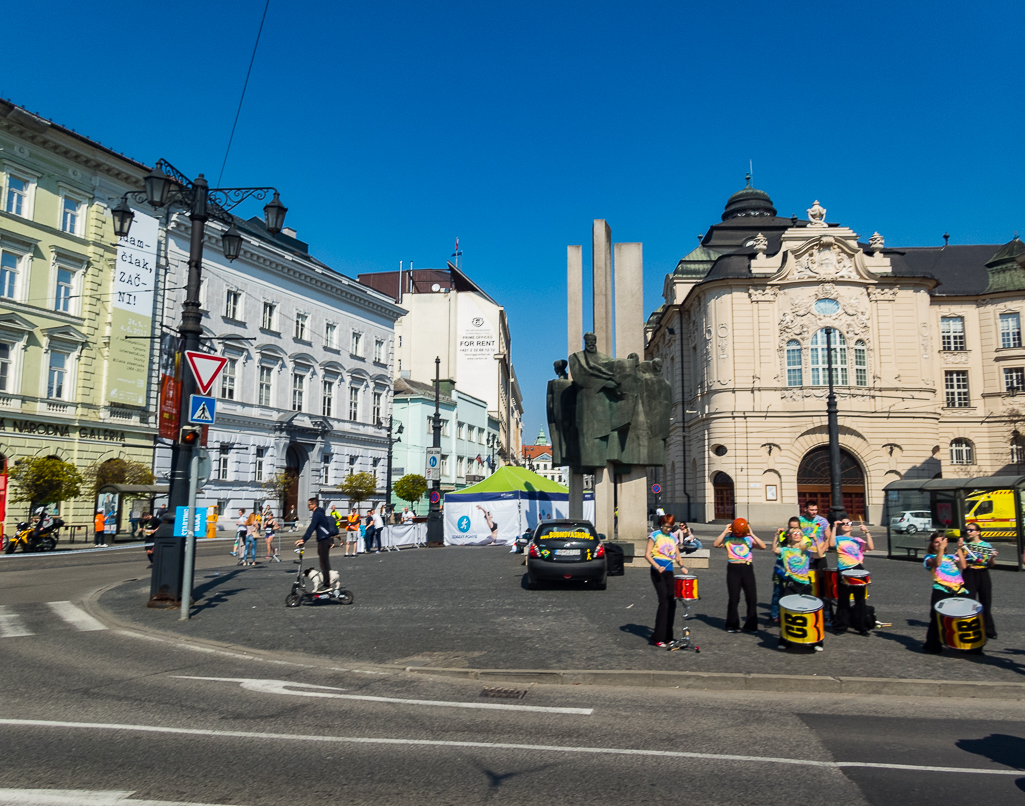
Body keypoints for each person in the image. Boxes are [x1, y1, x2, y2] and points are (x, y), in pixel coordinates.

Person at [774, 526, 825, 650]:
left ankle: (816, 641)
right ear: (790, 536)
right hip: (791, 582)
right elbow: (774, 549)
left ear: (802, 536)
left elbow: (819, 554)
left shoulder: (806, 550)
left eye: (799, 533)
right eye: (793, 533)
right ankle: (785, 640)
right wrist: (776, 536)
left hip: (804, 583)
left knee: (810, 612)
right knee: (787, 611)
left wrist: (816, 541)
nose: (796, 534)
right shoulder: (785, 550)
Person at [713, 517, 767, 633]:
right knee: (734, 598)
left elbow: (763, 546)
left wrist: (751, 533)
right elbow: (716, 544)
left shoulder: (748, 539)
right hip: (733, 568)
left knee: (751, 598)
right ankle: (732, 624)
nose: (738, 534)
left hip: (747, 568)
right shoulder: (728, 540)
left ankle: (751, 625)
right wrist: (725, 531)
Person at [644, 514, 690, 648]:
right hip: (657, 571)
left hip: (669, 571)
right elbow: (647, 554)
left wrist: (682, 566)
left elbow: (677, 555)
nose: (668, 530)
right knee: (664, 601)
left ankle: (668, 636)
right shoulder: (655, 535)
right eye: (666, 527)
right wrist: (657, 566)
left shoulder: (673, 538)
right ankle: (658, 637)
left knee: (672, 601)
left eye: (670, 527)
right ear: (662, 524)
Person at [923, 531, 970, 654]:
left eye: (941, 542)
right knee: (937, 618)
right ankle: (933, 645)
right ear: (932, 544)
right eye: (936, 542)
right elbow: (937, 564)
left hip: (958, 589)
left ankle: (962, 644)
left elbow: (963, 566)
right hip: (941, 589)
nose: (938, 544)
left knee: (962, 618)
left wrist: (959, 549)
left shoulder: (951, 557)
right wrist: (941, 550)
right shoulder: (928, 558)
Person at [832, 518, 874, 636]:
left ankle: (861, 627)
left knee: (860, 600)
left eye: (849, 523)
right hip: (844, 570)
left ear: (851, 526)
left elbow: (870, 547)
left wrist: (867, 532)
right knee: (843, 599)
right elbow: (830, 544)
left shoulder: (857, 540)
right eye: (843, 523)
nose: (846, 525)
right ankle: (840, 626)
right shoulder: (837, 539)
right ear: (841, 526)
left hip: (858, 569)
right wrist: (834, 527)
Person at [961, 521, 998, 639]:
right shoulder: (965, 544)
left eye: (971, 530)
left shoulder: (987, 546)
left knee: (986, 601)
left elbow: (991, 564)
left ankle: (989, 629)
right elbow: (960, 561)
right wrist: (959, 549)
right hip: (969, 573)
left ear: (978, 532)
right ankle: (970, 627)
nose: (968, 532)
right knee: (969, 600)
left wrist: (992, 557)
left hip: (983, 573)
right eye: (967, 530)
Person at [800, 501, 833, 625]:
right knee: (806, 583)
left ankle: (826, 613)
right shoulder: (799, 521)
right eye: (811, 510)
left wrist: (822, 550)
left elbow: (828, 538)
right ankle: (807, 609)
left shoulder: (823, 521)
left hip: (819, 555)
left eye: (815, 510)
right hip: (805, 556)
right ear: (805, 509)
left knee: (822, 583)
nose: (814, 512)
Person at [295, 497, 335, 591]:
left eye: (309, 505)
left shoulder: (317, 514)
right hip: (324, 540)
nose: (308, 506)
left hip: (324, 540)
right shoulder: (319, 513)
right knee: (324, 562)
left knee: (324, 563)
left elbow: (311, 527)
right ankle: (327, 582)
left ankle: (327, 584)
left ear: (314, 505)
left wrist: (303, 539)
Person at [770, 516, 803, 624]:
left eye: (796, 527)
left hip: (795, 571)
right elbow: (775, 551)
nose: (793, 530)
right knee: (777, 593)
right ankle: (774, 615)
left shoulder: (802, 537)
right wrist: (777, 536)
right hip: (781, 568)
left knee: (791, 595)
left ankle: (789, 616)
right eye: (791, 527)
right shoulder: (783, 536)